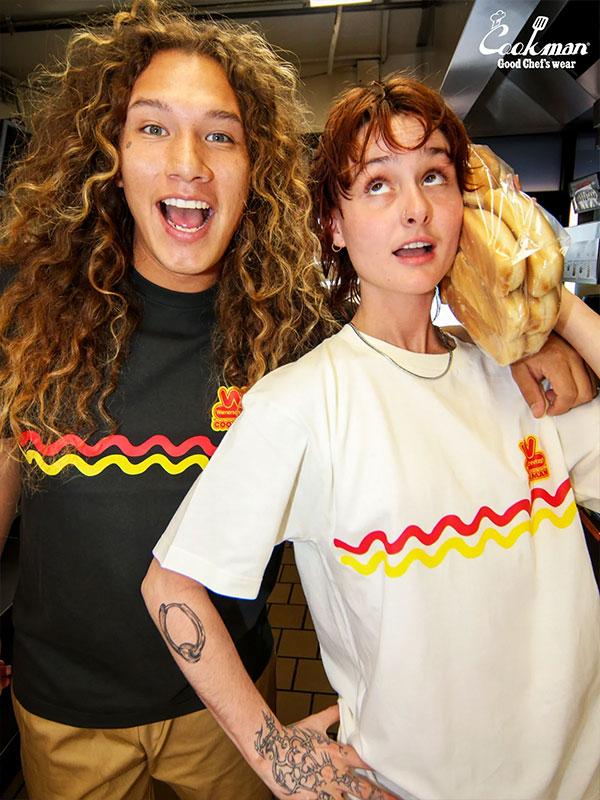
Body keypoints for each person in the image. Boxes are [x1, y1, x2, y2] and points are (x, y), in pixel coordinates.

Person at [142, 76, 600, 800]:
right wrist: (277, 760)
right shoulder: (302, 404)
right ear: (334, 223)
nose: (415, 208)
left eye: (435, 177)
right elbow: (171, 583)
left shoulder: (524, 378)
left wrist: (552, 304)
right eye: (378, 184)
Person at [0, 1, 336, 798]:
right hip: (63, 713)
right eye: (152, 127)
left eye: (221, 135)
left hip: (229, 707)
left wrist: (545, 340)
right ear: (108, 155)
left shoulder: (296, 334)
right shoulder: (25, 311)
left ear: (257, 169)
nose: (189, 162)